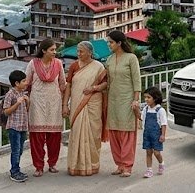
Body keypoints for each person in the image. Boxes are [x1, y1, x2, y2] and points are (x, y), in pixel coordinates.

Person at [63, 41, 108, 176]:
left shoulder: (99, 67)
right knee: (77, 132)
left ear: (89, 52)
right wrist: (65, 104)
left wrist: (93, 88)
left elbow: (105, 83)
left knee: (93, 133)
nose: (78, 54)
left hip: (93, 102)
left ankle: (92, 165)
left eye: (81, 51)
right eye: (77, 51)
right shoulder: (74, 66)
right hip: (77, 103)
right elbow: (68, 86)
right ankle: (76, 166)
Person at [25, 38, 66, 177]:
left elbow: (62, 84)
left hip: (54, 102)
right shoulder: (33, 63)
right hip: (37, 103)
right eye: (52, 50)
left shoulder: (58, 64)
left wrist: (65, 103)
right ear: (43, 50)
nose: (55, 52)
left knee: (54, 136)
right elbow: (27, 82)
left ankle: (52, 163)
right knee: (37, 136)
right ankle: (38, 166)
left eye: (55, 49)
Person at [105, 30, 141, 177]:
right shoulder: (109, 59)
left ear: (119, 43)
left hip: (127, 100)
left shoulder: (131, 58)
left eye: (111, 42)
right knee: (114, 132)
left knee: (126, 133)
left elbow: (136, 80)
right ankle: (119, 164)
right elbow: (105, 81)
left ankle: (127, 166)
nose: (109, 45)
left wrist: (136, 100)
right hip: (112, 100)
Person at [3, 70, 30, 183]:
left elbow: (26, 110)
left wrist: (28, 101)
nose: (26, 82)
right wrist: (17, 103)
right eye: (23, 81)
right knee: (15, 150)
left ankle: (16, 169)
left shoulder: (23, 93)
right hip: (14, 127)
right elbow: (6, 112)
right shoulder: (10, 94)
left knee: (20, 150)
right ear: (17, 83)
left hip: (23, 126)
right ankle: (14, 172)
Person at [138, 86, 168, 178]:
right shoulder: (146, 109)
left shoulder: (160, 110)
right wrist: (135, 110)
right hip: (147, 134)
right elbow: (141, 118)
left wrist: (163, 135)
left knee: (156, 153)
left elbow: (163, 123)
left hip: (156, 135)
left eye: (148, 97)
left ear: (155, 98)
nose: (146, 99)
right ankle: (149, 170)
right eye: (145, 97)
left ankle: (161, 163)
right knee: (148, 152)